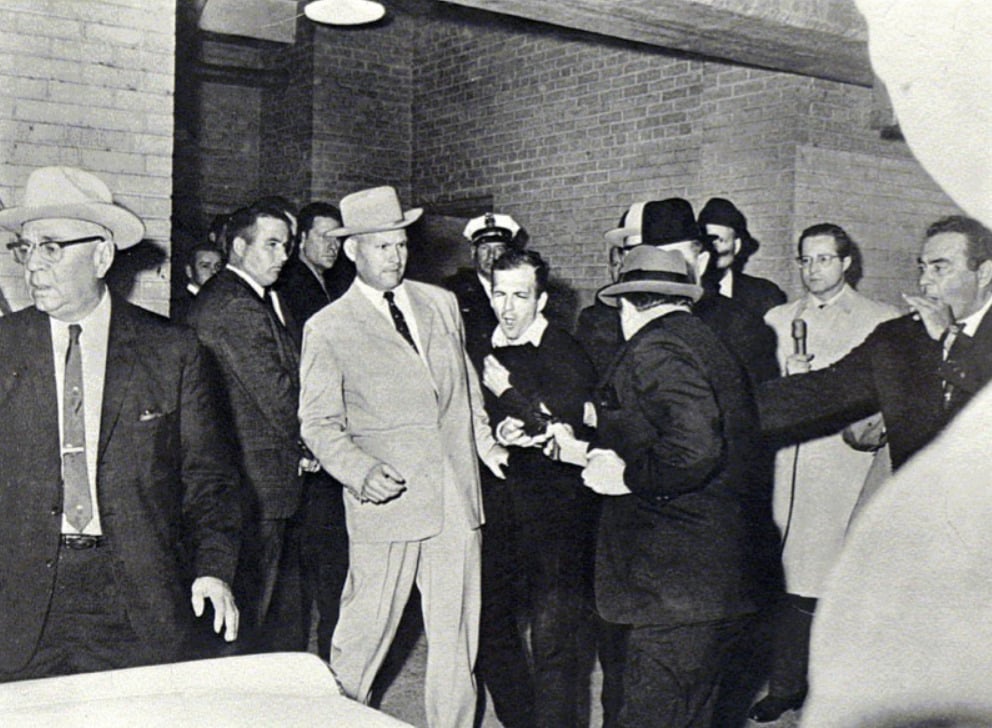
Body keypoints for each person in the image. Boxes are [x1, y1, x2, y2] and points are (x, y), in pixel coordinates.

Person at [0, 166, 240, 681]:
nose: (33, 267)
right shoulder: (4, 348)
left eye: (52, 248)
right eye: (25, 248)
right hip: (17, 599)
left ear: (102, 255)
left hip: (135, 593)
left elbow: (210, 480)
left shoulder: (173, 351)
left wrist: (213, 570)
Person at [298, 186, 507, 728]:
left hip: (455, 501)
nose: (395, 257)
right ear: (352, 251)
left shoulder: (440, 304)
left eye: (400, 245)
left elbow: (466, 393)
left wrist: (488, 447)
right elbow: (318, 423)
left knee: (458, 645)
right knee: (360, 641)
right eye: (381, 247)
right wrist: (359, 471)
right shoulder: (328, 327)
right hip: (386, 503)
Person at [548, 245, 768, 727]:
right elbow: (675, 426)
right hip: (714, 579)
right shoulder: (704, 339)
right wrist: (589, 442)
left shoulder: (655, 348)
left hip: (675, 585)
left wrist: (625, 477)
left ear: (628, 304)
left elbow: (693, 449)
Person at [748, 223, 899, 722]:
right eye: (805, 261)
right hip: (784, 467)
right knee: (786, 583)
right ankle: (786, 685)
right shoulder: (775, 318)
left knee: (831, 585)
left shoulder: (880, 320)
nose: (813, 270)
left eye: (824, 260)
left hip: (841, 470)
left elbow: (886, 402)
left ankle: (837, 688)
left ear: (847, 262)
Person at [759, 215, 992, 473]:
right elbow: (822, 391)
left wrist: (951, 341)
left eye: (939, 268)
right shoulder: (900, 336)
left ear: (983, 273)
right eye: (922, 268)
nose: (924, 281)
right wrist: (721, 407)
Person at [479, 248, 598, 727]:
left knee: (555, 646)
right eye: (499, 294)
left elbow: (568, 421)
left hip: (558, 518)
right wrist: (501, 431)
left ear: (541, 299)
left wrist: (513, 399)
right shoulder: (481, 346)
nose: (508, 308)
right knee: (490, 627)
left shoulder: (565, 349)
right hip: (502, 512)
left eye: (520, 296)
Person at [188, 203, 311, 652]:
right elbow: (279, 396)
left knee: (263, 608)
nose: (283, 255)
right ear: (239, 247)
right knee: (244, 614)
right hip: (254, 482)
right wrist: (319, 439)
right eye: (272, 244)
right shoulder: (234, 305)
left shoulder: (250, 297)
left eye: (287, 245)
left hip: (263, 478)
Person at [271, 199, 352, 659]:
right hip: (308, 441)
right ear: (301, 240)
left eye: (339, 239)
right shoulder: (292, 288)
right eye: (324, 237)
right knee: (311, 565)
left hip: (326, 437)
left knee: (328, 562)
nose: (333, 246)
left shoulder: (332, 283)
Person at [697, 197, 786, 317]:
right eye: (705, 241)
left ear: (737, 246)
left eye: (720, 240)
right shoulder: (686, 293)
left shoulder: (764, 293)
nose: (711, 249)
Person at [171, 240, 224, 322]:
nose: (214, 272)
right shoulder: (179, 307)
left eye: (217, 266)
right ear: (189, 271)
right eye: (205, 266)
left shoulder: (222, 302)